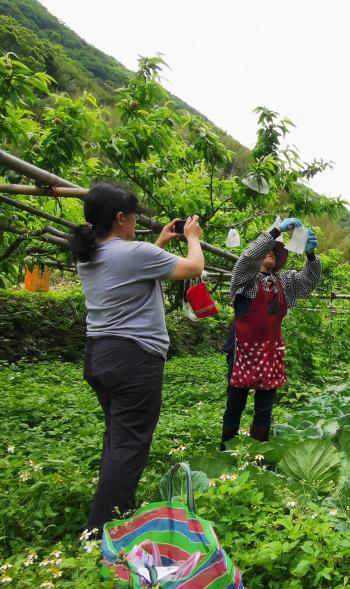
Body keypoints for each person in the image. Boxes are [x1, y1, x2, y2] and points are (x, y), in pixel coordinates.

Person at [70, 183, 205, 532]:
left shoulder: (91, 255)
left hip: (100, 354)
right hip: (133, 359)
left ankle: (117, 511)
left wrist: (159, 242)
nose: (134, 223)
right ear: (119, 217)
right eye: (131, 216)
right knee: (129, 445)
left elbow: (134, 268)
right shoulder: (132, 254)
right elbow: (193, 267)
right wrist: (192, 236)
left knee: (119, 438)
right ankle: (103, 530)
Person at [220, 218, 321, 448]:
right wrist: (275, 231)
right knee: (235, 404)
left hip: (270, 351)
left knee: (264, 407)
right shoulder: (245, 280)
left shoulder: (284, 282)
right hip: (242, 349)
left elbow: (308, 281)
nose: (271, 254)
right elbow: (246, 260)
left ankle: (258, 451)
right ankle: (226, 450)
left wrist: (311, 256)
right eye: (268, 250)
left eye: (275, 253)